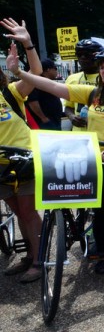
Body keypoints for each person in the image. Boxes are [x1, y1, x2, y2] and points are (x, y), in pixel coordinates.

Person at [12, 49, 104, 275]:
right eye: (102, 67)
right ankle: (103, 253)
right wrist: (18, 71)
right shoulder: (93, 94)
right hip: (97, 162)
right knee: (103, 211)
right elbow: (52, 86)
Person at [0, 17, 43, 282]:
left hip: (25, 159)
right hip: (1, 166)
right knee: (18, 213)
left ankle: (39, 262)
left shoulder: (10, 93)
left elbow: (36, 74)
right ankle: (30, 255)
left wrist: (28, 45)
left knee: (28, 211)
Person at [64, 39, 104, 131]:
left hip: (102, 134)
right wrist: (72, 117)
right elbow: (68, 106)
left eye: (87, 55)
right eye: (79, 54)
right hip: (79, 134)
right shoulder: (72, 79)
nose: (82, 58)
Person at [26, 59, 63, 130]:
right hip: (45, 123)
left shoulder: (47, 83)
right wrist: (44, 118)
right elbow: (33, 102)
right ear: (48, 69)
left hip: (53, 120)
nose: (56, 71)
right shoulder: (36, 83)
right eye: (55, 68)